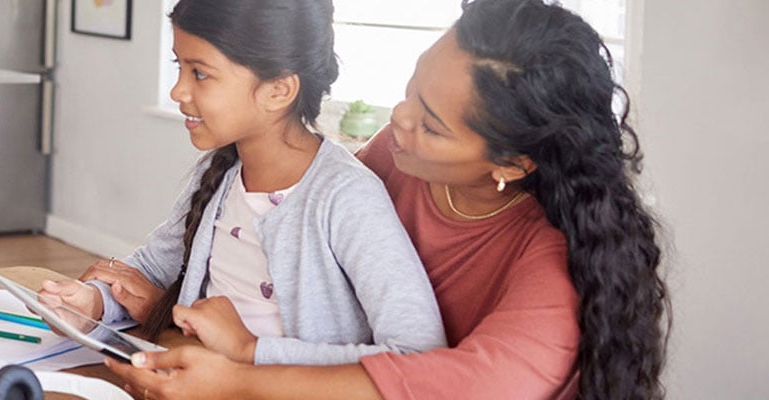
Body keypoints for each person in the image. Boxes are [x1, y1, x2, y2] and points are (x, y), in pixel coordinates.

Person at [104, 0, 669, 399]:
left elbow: (461, 385)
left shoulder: (549, 269)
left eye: (432, 123)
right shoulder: (392, 159)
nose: (399, 119)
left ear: (511, 163)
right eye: (410, 90)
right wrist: (160, 296)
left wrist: (245, 367)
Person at [38, 0, 444, 366]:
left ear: (279, 90)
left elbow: (418, 352)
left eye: (200, 73)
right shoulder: (218, 173)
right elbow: (152, 269)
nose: (177, 90)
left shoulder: (346, 197)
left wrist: (250, 348)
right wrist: (92, 304)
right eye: (179, 66)